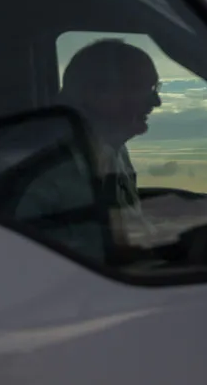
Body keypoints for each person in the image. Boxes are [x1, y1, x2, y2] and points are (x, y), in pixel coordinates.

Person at [59, 38, 162, 247]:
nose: (156, 102)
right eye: (141, 88)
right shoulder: (50, 167)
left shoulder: (114, 151)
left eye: (155, 88)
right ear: (96, 94)